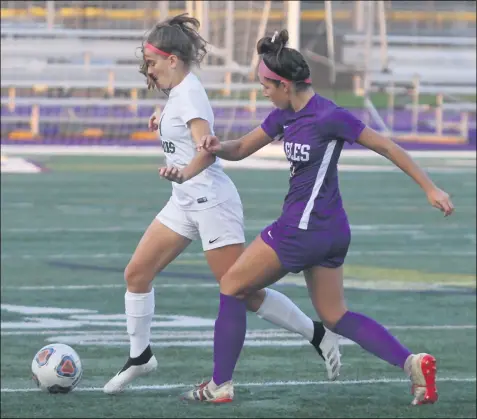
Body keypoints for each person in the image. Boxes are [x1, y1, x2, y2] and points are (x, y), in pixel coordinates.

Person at [181, 29, 454, 404]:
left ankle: (219, 385)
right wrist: (217, 146)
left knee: (231, 286)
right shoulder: (285, 115)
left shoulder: (329, 115)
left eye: (265, 85)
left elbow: (387, 146)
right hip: (328, 230)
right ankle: (413, 365)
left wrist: (429, 187)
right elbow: (242, 147)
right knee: (335, 316)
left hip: (302, 229)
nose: (263, 91)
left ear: (285, 84)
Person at [103, 16, 341, 394]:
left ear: (173, 60)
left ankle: (316, 334)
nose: (148, 71)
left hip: (211, 203)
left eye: (152, 63)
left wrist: (183, 173)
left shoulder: (191, 93)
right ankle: (140, 356)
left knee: (242, 291)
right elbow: (183, 123)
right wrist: (161, 120)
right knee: (137, 274)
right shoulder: (179, 93)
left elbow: (207, 149)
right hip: (184, 203)